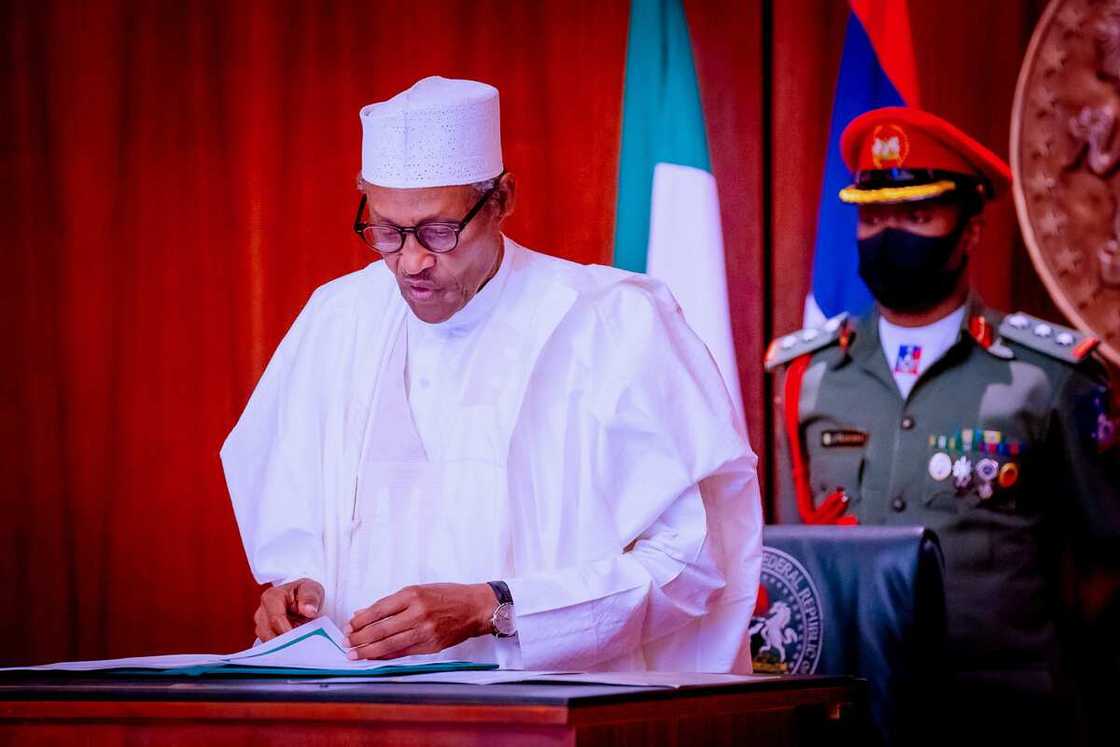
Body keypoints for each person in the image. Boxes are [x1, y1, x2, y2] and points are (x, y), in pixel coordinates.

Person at [221, 76, 763, 673]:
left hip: (552, 717)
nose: (412, 261)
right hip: (361, 714)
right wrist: (292, 594)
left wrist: (501, 607)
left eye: (438, 230)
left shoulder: (616, 324)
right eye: (385, 231)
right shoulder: (335, 319)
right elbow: (297, 540)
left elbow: (695, 563)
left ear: (501, 199)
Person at [765, 107, 1120, 740]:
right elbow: (796, 554)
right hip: (849, 712)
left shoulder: (1052, 375)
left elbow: (1104, 567)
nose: (890, 234)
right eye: (873, 217)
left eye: (917, 216)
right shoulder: (805, 375)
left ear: (970, 231)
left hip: (1005, 714)